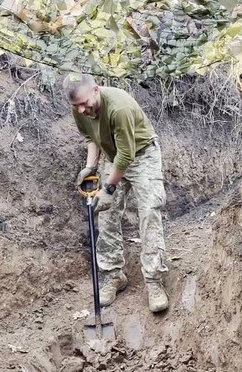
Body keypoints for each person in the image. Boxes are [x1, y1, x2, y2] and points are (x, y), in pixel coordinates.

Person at [63, 73, 170, 313]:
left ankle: (154, 280)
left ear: (96, 90)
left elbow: (126, 155)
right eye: (75, 106)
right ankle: (113, 275)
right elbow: (91, 137)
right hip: (114, 157)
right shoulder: (80, 108)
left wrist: (109, 188)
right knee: (106, 214)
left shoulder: (118, 107)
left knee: (150, 212)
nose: (81, 110)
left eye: (83, 103)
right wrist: (90, 167)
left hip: (142, 155)